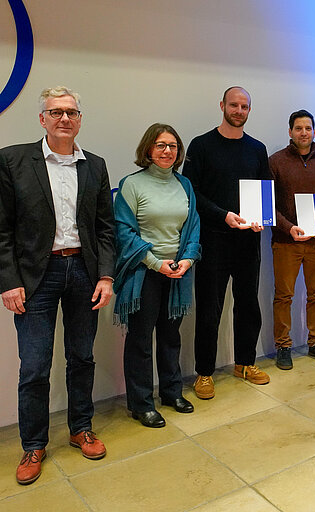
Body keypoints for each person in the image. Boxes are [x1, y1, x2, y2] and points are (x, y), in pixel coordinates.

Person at [0, 86, 115, 484]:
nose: (64, 118)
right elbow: (2, 229)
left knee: (81, 357)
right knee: (34, 366)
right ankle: (33, 444)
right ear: (42, 119)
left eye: (71, 112)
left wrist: (105, 275)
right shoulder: (13, 161)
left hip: (83, 272)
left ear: (80, 118)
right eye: (55, 112)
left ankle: (80, 428)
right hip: (36, 277)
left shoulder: (96, 166)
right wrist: (9, 281)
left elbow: (104, 228)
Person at [183, 86, 271, 399]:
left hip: (249, 241)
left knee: (248, 305)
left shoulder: (257, 149)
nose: (239, 111)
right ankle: (204, 372)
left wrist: (263, 218)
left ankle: (245, 363)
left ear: (249, 110)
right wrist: (223, 216)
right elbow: (191, 193)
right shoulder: (201, 145)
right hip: (214, 240)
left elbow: (264, 190)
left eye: (244, 106)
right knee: (209, 308)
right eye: (233, 105)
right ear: (222, 105)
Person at [113, 124, 201, 428]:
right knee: (139, 339)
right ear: (148, 149)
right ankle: (140, 403)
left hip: (177, 271)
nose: (167, 151)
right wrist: (154, 262)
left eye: (173, 146)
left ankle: (171, 392)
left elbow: (193, 225)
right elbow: (123, 231)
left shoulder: (184, 185)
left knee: (170, 336)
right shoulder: (131, 184)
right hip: (145, 272)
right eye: (161, 145)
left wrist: (188, 257)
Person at [270, 109, 315, 370]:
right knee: (283, 296)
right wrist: (289, 228)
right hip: (286, 242)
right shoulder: (275, 162)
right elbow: (269, 204)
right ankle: (283, 346)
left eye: (308, 128)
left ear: (314, 131)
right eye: (298, 128)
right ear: (290, 132)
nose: (304, 133)